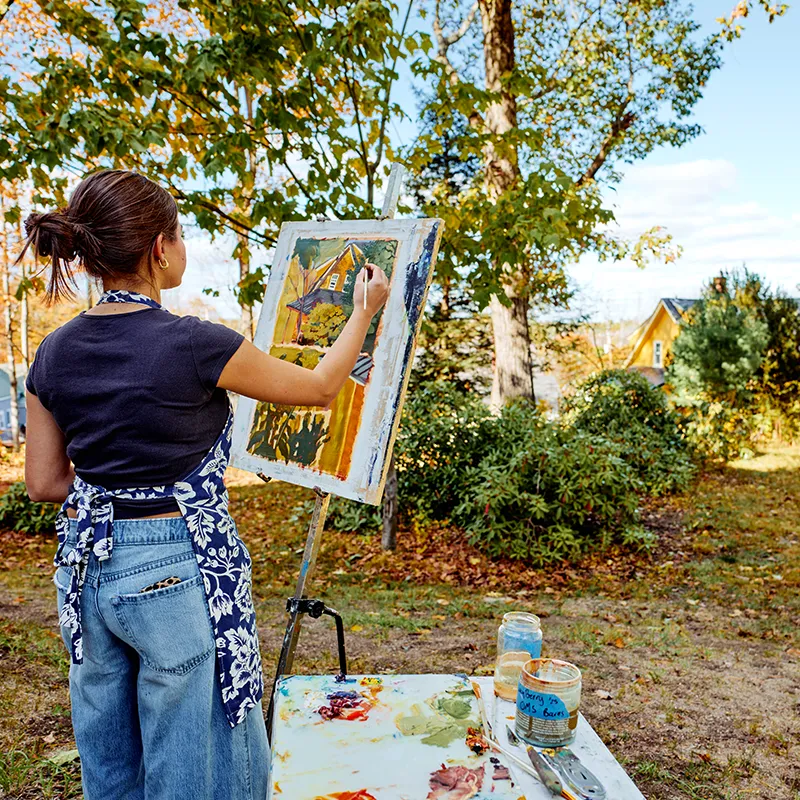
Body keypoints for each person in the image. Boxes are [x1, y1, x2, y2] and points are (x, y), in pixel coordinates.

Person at [21, 169, 389, 800]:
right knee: (193, 756)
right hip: (174, 566)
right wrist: (363, 312)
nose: (185, 250)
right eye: (182, 238)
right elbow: (321, 388)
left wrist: (118, 477)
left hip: (85, 570)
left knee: (111, 756)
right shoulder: (194, 343)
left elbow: (46, 482)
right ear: (158, 249)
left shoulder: (54, 351)